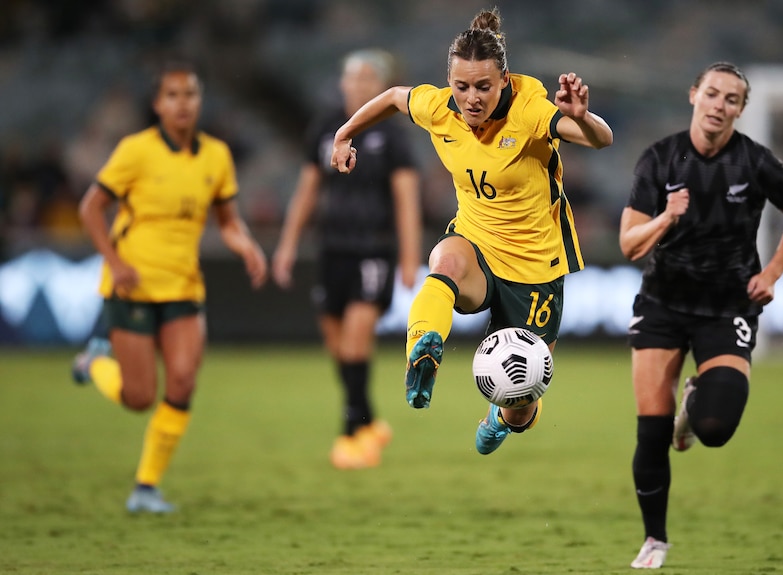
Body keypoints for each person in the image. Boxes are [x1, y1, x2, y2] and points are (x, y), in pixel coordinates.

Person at [331, 8, 613, 455]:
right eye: (461, 86)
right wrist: (345, 133)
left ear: (503, 80)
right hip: (476, 242)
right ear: (450, 82)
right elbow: (390, 97)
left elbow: (602, 140)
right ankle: (422, 350)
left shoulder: (529, 110)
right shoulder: (439, 107)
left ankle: (502, 417)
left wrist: (582, 116)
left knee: (520, 406)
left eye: (483, 86)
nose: (471, 98)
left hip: (535, 267)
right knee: (444, 262)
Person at [619, 61, 783, 568]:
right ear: (694, 96)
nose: (719, 105)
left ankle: (694, 404)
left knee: (716, 426)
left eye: (731, 99)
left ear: (741, 110)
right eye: (712, 93)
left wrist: (771, 272)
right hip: (663, 303)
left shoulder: (754, 162)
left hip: (727, 306)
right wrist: (666, 216)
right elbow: (628, 244)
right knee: (651, 430)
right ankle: (655, 540)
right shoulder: (659, 160)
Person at [71, 61, 268, 513]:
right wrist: (115, 262)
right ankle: (94, 363)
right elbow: (90, 209)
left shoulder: (216, 155)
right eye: (173, 95)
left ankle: (146, 487)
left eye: (191, 95)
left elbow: (228, 221)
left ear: (200, 102)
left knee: (181, 382)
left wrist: (247, 246)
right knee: (139, 397)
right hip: (133, 284)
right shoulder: (135, 150)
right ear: (158, 104)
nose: (183, 103)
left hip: (183, 285)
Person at [272, 49, 422, 470]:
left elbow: (406, 199)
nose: (358, 85)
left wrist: (410, 257)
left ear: (380, 87)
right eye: (353, 78)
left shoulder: (392, 135)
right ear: (342, 83)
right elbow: (307, 190)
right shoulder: (325, 127)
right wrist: (287, 244)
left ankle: (351, 433)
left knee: (358, 337)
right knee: (337, 345)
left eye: (368, 79)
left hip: (373, 249)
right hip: (331, 248)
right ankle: (370, 418)